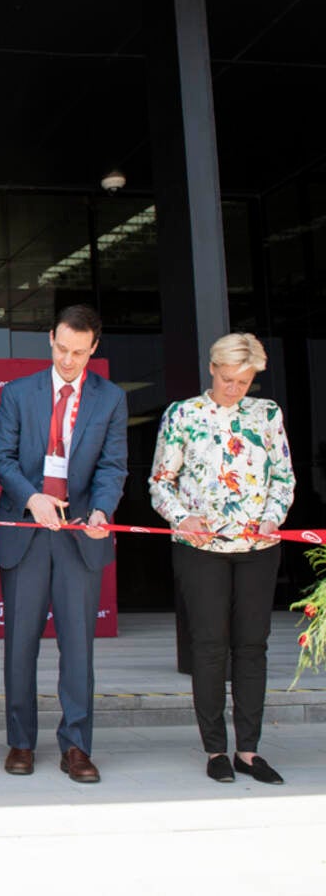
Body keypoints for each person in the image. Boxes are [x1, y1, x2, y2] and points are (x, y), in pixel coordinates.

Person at [0, 304, 127, 783]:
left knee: (78, 647)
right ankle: (21, 742)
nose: (69, 360)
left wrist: (103, 511)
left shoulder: (109, 399)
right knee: (20, 644)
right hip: (27, 532)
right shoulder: (18, 393)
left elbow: (113, 466)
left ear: (94, 348)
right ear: (50, 339)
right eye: (62, 349)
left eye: (80, 353)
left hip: (78, 534)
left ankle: (77, 746)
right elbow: (0, 457)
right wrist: (31, 498)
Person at [149, 333, 294, 784]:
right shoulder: (183, 415)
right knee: (210, 648)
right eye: (229, 379)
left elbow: (284, 478)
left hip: (258, 548)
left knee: (252, 647)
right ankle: (215, 750)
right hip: (201, 551)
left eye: (245, 381)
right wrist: (181, 516)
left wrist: (272, 518)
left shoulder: (267, 414)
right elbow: (160, 481)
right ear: (212, 369)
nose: (236, 389)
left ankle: (248, 751)